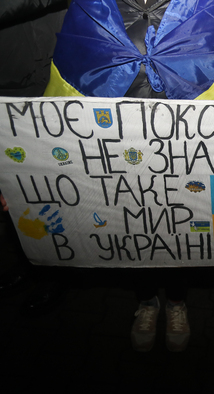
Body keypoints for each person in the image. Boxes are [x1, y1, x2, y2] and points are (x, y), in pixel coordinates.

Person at [44, 0, 214, 352]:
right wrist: (33, 174)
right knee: (133, 230)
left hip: (187, 153)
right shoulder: (91, 8)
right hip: (117, 152)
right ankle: (147, 302)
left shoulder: (205, 7)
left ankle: (177, 302)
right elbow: (62, 96)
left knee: (179, 231)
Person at [0, 0, 69, 309]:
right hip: (10, 82)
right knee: (14, 189)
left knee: (54, 182)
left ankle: (54, 271)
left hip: (56, 75)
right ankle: (29, 262)